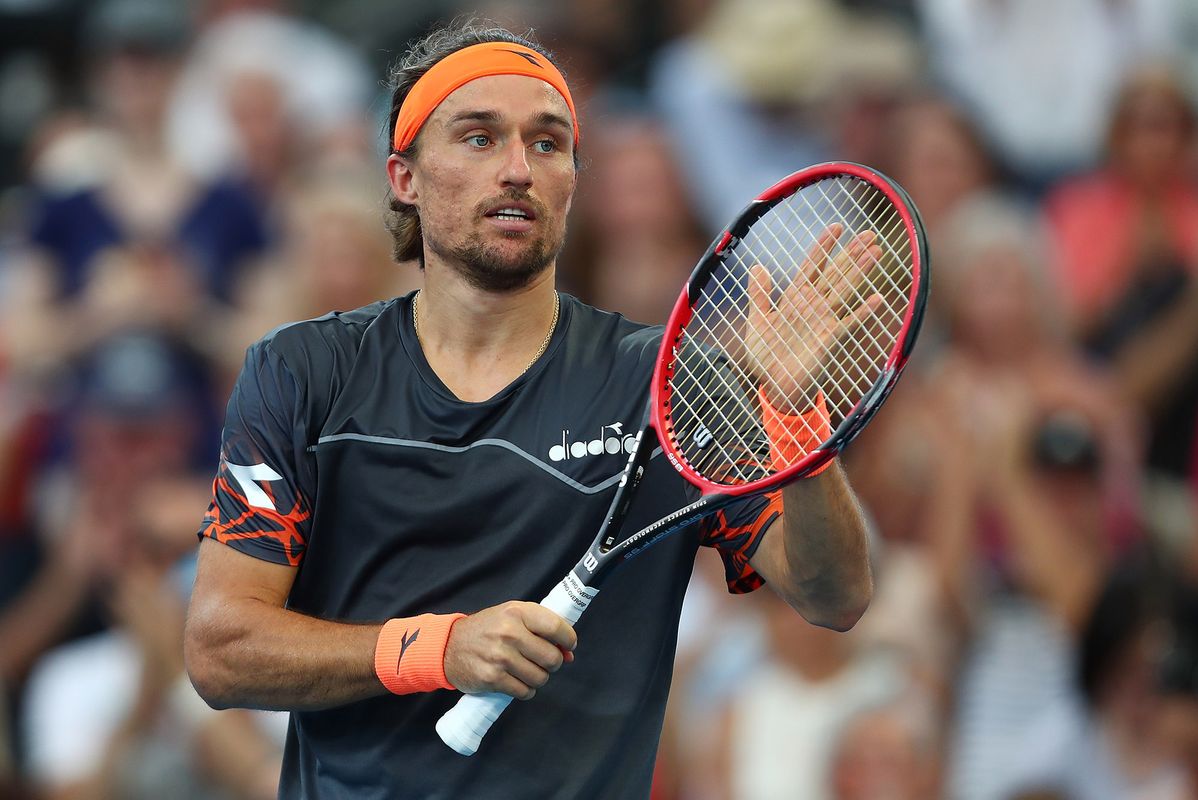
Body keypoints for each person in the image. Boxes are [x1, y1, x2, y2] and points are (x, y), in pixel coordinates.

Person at [183, 21, 873, 798]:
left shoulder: (670, 381)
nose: (518, 168)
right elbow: (221, 649)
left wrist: (805, 437)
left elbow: (834, 596)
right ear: (404, 178)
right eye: (478, 138)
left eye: (548, 145)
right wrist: (440, 650)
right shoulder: (302, 372)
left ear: (574, 183)